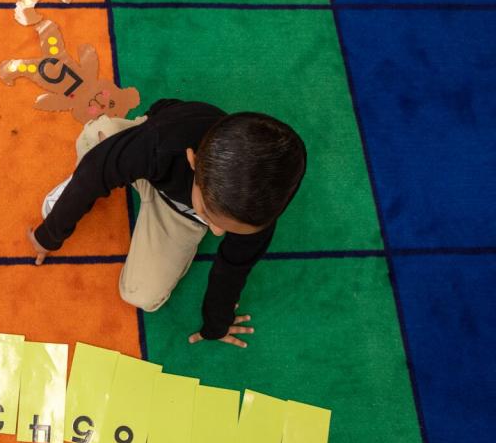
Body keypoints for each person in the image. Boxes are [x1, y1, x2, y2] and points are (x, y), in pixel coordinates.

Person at [27, 99, 306, 347]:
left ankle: (128, 174)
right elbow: (94, 171)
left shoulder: (257, 216)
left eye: (229, 228)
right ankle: (110, 163)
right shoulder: (162, 144)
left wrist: (216, 325)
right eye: (208, 215)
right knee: (93, 143)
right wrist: (48, 236)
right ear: (193, 161)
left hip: (177, 211)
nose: (218, 232)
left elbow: (232, 270)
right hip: (152, 153)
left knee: (141, 296)